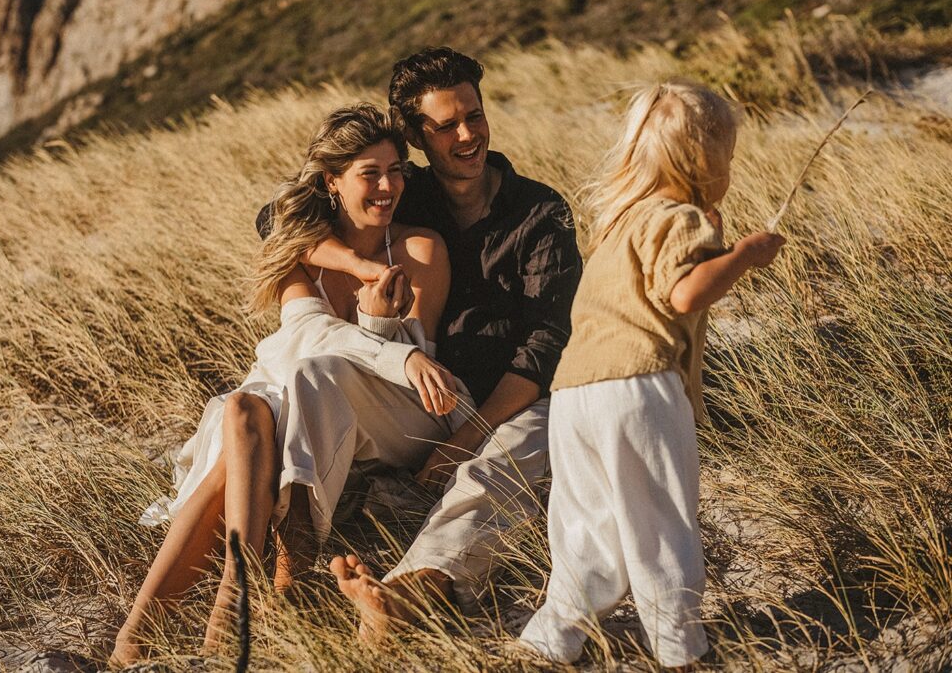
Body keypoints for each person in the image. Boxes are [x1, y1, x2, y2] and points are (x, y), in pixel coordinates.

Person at [110, 103, 467, 667]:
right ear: (332, 181)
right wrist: (369, 298)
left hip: (402, 415)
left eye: (395, 169)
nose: (388, 185)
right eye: (369, 173)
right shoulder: (297, 250)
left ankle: (260, 584)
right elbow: (307, 330)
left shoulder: (421, 248)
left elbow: (414, 373)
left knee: (302, 379)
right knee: (246, 409)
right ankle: (174, 622)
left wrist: (380, 329)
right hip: (306, 404)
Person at [259, 47, 583, 631]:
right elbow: (273, 221)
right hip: (418, 397)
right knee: (316, 375)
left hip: (513, 402)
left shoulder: (539, 213)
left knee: (491, 470)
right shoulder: (404, 189)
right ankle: (294, 566)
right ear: (414, 135)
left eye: (475, 116)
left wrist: (461, 443)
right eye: (446, 125)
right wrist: (359, 269)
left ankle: (410, 593)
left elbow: (544, 347)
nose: (468, 135)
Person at [516, 81, 785, 668]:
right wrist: (743, 255)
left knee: (586, 526)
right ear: (704, 161)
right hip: (639, 385)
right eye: (729, 159)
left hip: (573, 394)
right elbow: (684, 294)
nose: (730, 170)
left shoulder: (619, 224)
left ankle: (552, 638)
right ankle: (679, 646)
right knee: (661, 521)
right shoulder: (682, 219)